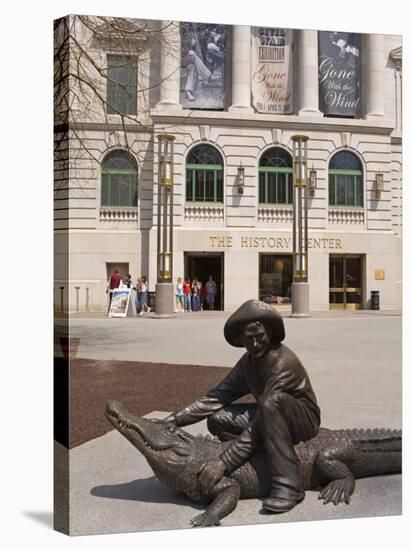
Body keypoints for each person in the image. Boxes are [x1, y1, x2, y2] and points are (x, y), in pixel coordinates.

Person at [164, 299, 320, 514]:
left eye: (260, 337)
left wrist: (223, 462)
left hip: (301, 419)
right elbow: (216, 397)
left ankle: (290, 487)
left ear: (271, 334)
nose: (255, 344)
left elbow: (261, 421)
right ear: (241, 339)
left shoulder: (282, 362)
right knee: (218, 419)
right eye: (249, 339)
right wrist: (172, 420)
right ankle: (251, 459)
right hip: (271, 412)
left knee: (270, 402)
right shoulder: (248, 362)